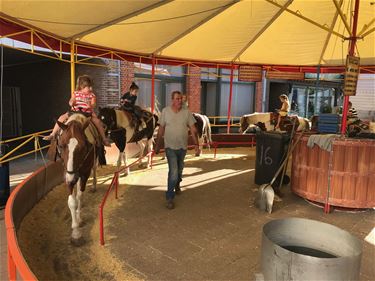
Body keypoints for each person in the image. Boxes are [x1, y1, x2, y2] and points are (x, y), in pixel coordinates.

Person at [155, 91, 199, 210]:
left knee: (179, 170)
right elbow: (161, 129)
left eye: (181, 99)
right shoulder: (165, 111)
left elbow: (193, 129)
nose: (179, 101)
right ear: (172, 100)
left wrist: (196, 145)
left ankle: (177, 183)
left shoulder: (187, 113)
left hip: (182, 147)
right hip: (170, 147)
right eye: (177, 99)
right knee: (173, 171)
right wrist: (158, 145)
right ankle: (169, 197)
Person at [43, 75, 111, 146]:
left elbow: (93, 104)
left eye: (91, 86)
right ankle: (52, 134)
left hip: (86, 113)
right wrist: (71, 102)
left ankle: (104, 139)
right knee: (61, 117)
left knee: (98, 122)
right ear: (82, 86)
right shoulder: (75, 93)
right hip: (74, 112)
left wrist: (90, 105)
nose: (91, 88)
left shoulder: (92, 95)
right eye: (89, 87)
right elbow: (72, 100)